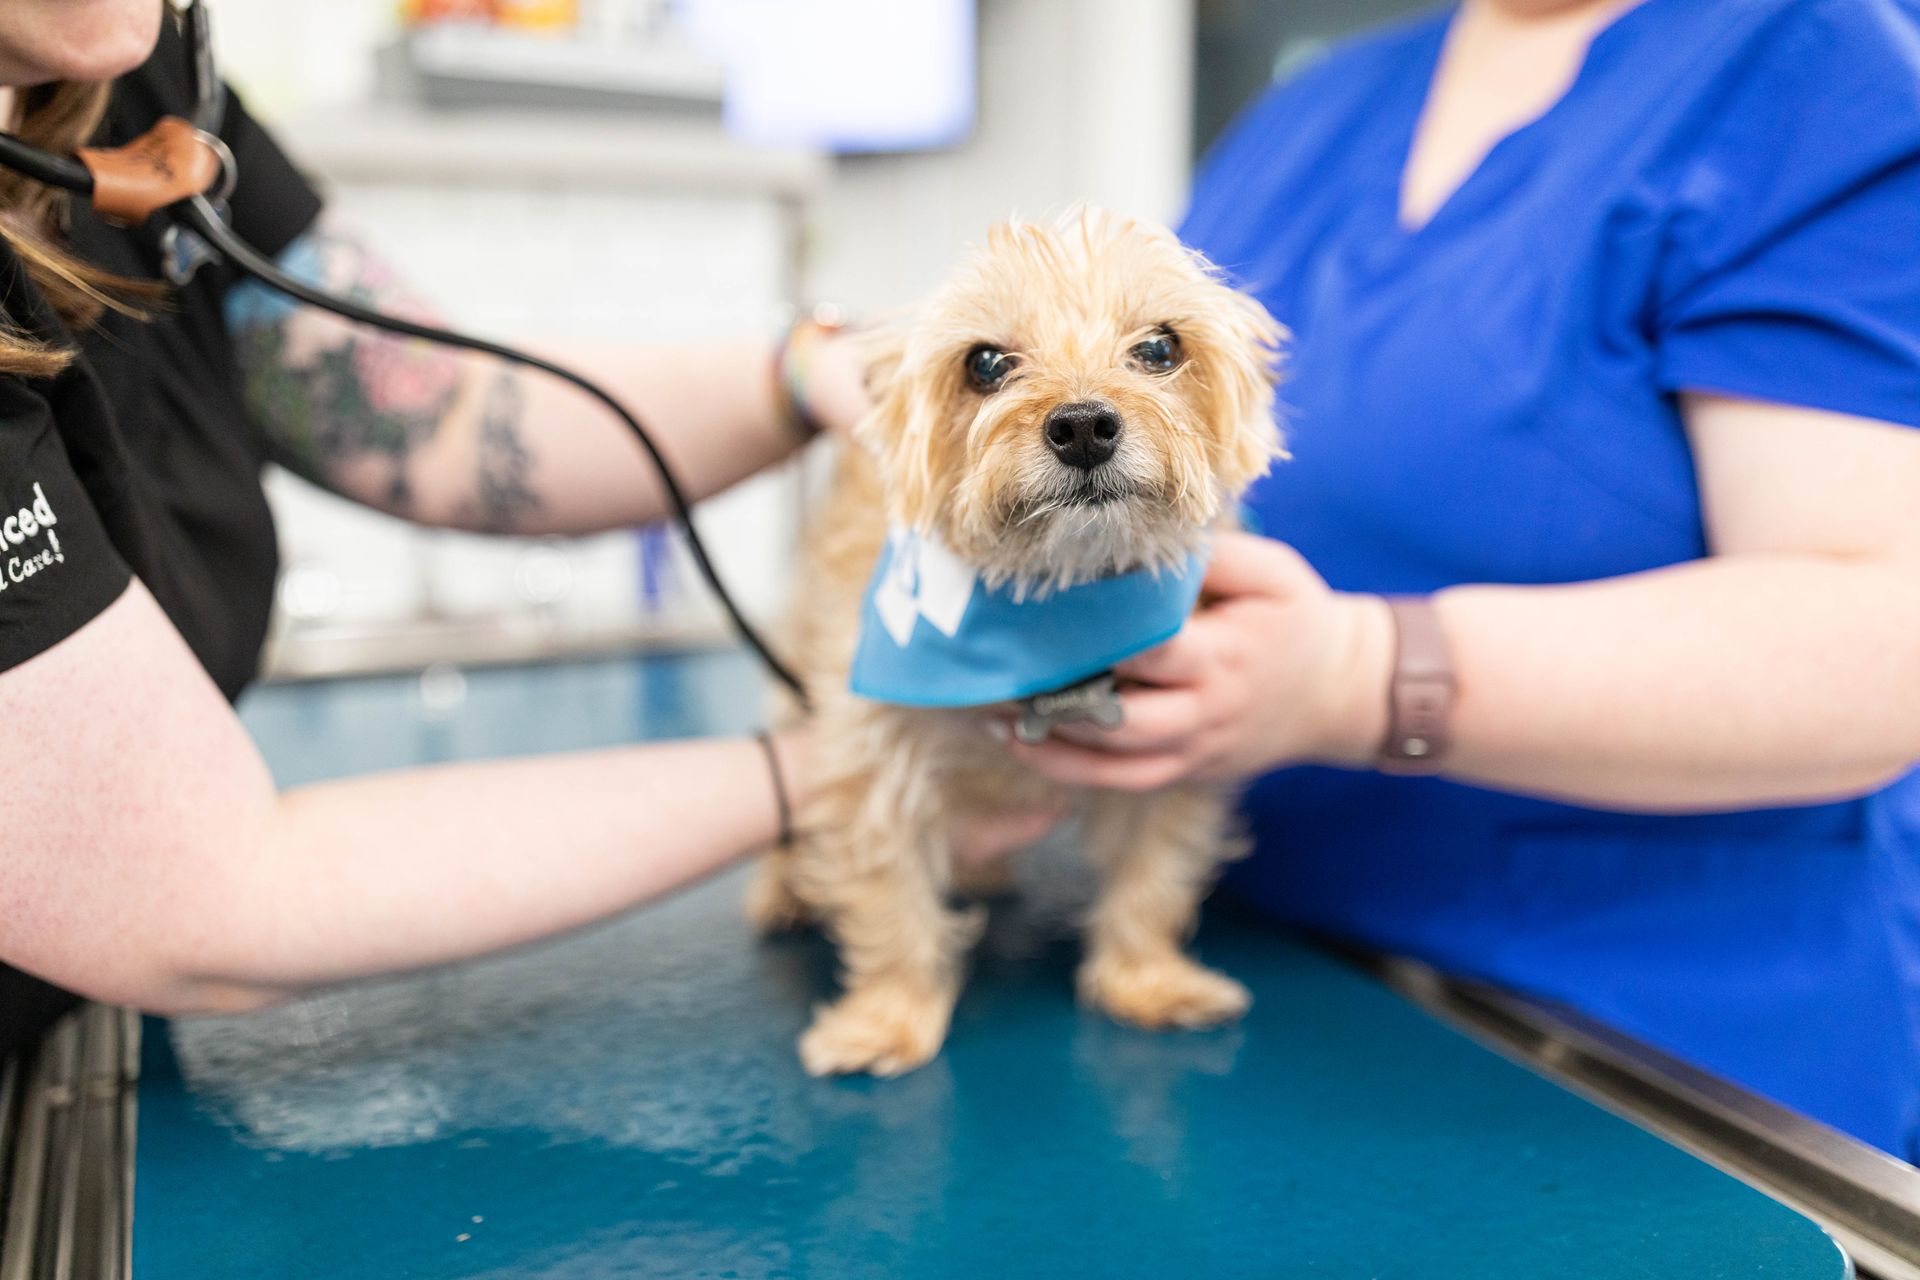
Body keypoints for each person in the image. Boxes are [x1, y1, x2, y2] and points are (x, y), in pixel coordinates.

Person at [0, 2, 1052, 1059]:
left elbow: (423, 409)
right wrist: (855, 766)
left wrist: (796, 377)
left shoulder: (125, 58)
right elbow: (204, 896)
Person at [1008, 0, 1920, 1160]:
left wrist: (1351, 678)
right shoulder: (1313, 110)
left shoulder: (1814, 71)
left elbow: (1879, 640)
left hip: (1654, 1070)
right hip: (1248, 986)